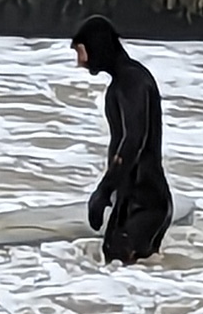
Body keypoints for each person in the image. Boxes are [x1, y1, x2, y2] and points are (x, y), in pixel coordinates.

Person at [71, 16, 173, 265]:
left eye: (81, 52)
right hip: (137, 199)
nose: (80, 63)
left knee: (119, 266)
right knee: (126, 274)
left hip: (144, 203)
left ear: (96, 46)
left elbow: (133, 140)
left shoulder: (131, 81)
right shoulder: (127, 81)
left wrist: (103, 191)